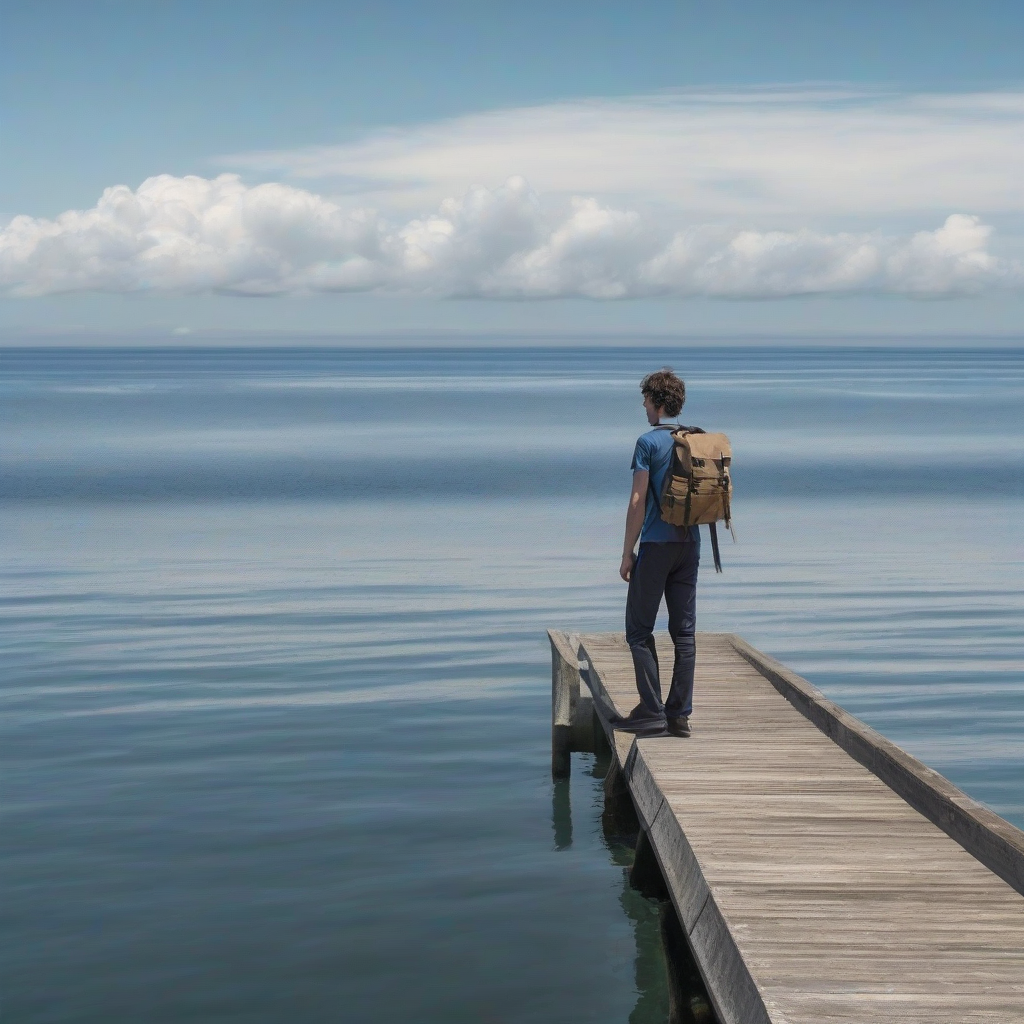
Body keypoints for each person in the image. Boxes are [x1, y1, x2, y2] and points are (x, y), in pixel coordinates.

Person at [614, 368, 699, 738]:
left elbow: (637, 499)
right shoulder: (696, 440)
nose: (644, 407)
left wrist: (627, 551)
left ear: (659, 403)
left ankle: (651, 710)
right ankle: (679, 715)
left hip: (656, 545)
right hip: (690, 545)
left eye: (647, 400)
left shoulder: (648, 443)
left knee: (638, 630)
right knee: (684, 633)